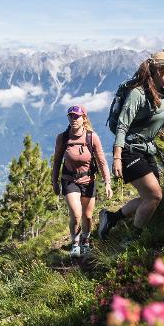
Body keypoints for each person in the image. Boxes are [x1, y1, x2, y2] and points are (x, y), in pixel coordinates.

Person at [98, 51, 164, 240]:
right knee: (154, 196)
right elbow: (122, 126)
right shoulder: (137, 94)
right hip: (129, 151)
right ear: (160, 70)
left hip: (147, 150)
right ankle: (133, 240)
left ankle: (111, 218)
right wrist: (117, 157)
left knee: (149, 198)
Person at [51, 105, 112, 257]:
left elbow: (102, 161)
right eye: (71, 116)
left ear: (84, 118)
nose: (73, 119)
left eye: (77, 116)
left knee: (88, 216)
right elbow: (57, 161)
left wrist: (107, 182)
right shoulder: (63, 137)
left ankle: (85, 241)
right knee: (76, 214)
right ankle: (75, 243)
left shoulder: (92, 137)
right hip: (69, 181)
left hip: (89, 181)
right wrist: (54, 182)